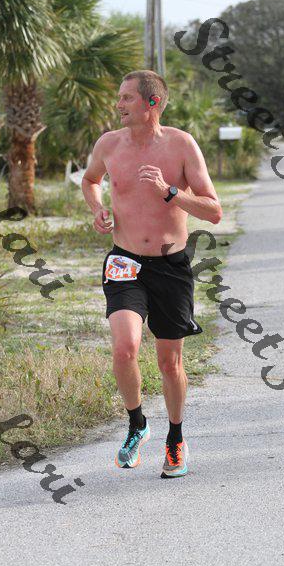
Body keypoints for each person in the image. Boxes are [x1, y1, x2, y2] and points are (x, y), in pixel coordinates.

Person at [82, 70, 222, 478]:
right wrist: (98, 209)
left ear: (152, 103)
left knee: (169, 362)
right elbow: (90, 180)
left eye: (127, 98)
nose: (119, 105)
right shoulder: (109, 144)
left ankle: (175, 438)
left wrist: (171, 192)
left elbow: (214, 211)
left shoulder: (181, 145)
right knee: (124, 348)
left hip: (170, 267)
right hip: (124, 262)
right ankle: (137, 424)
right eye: (119, 97)